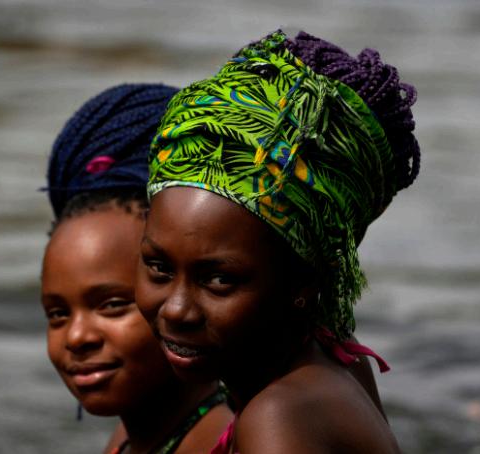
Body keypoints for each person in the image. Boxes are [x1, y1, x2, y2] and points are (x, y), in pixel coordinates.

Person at [136, 30, 420, 453]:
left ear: (306, 279)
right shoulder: (336, 361)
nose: (176, 310)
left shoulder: (280, 420)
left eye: (219, 280)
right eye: (159, 267)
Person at [41, 83, 233, 454]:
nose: (76, 337)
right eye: (58, 314)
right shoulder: (129, 437)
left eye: (112, 305)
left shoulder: (222, 443)